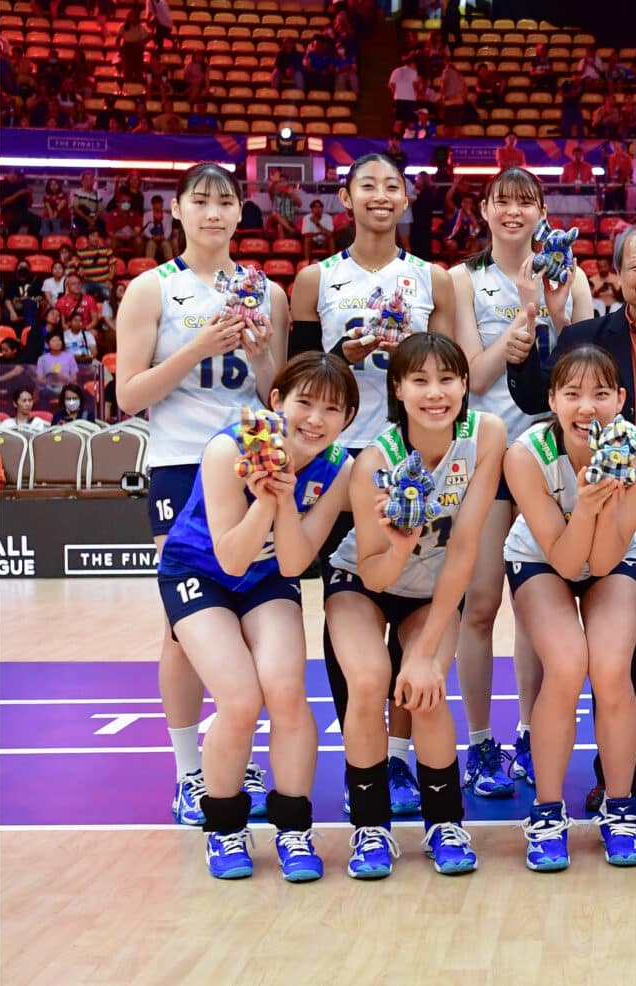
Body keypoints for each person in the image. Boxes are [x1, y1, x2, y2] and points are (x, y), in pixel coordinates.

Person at [505, 222, 636, 813]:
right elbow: (539, 397)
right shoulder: (582, 335)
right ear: (617, 275)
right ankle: (614, 774)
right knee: (613, 652)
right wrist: (536, 328)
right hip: (595, 495)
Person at [114, 163, 287, 825]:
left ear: (241, 213)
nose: (214, 212)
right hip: (181, 466)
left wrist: (262, 355)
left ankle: (233, 755)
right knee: (182, 629)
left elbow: (276, 392)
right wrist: (199, 347)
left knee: (244, 614)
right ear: (178, 210)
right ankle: (189, 771)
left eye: (225, 202)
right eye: (201, 201)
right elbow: (129, 396)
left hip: (250, 464)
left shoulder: (265, 291)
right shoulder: (151, 289)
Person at [289, 153, 457, 819]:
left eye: (392, 186)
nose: (380, 195)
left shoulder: (432, 278)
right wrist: (344, 358)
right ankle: (364, 751)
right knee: (351, 605)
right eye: (368, 185)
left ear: (406, 198)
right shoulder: (316, 278)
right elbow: (301, 374)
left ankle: (398, 756)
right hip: (340, 457)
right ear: (347, 197)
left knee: (411, 601)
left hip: (413, 453)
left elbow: (448, 367)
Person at [157, 353, 356, 880]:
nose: (315, 419)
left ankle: (293, 829)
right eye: (304, 403)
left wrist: (284, 496)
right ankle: (225, 829)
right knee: (241, 699)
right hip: (200, 571)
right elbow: (231, 558)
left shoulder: (340, 467)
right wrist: (265, 500)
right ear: (277, 401)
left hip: (269, 577)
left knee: (286, 691)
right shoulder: (229, 449)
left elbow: (292, 563)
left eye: (332, 409)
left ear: (347, 420)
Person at [324, 333, 505, 878]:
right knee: (369, 681)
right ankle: (371, 827)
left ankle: (444, 822)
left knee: (426, 691)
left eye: (447, 379)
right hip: (363, 581)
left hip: (432, 589)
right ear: (397, 389)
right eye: (420, 381)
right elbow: (375, 570)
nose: (435, 393)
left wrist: (424, 653)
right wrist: (401, 545)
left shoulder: (486, 436)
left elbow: (465, 548)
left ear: (465, 384)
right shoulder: (372, 463)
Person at [451, 167, 593, 799]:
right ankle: (481, 743)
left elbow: (585, 366)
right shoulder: (462, 279)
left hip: (549, 457)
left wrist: (552, 313)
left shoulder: (571, 274)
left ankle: (533, 734)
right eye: (502, 201)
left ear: (541, 212)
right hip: (486, 455)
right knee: (481, 604)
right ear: (484, 210)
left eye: (526, 201)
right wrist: (518, 327)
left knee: (540, 609)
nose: (513, 211)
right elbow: (472, 378)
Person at [505, 346, 636, 870]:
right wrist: (588, 505)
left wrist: (602, 510)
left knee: (612, 669)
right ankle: (547, 811)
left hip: (613, 554)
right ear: (552, 400)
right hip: (542, 556)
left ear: (620, 399)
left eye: (600, 394)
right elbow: (565, 559)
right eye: (572, 393)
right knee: (567, 663)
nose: (586, 407)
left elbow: (601, 561)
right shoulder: (525, 455)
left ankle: (620, 808)